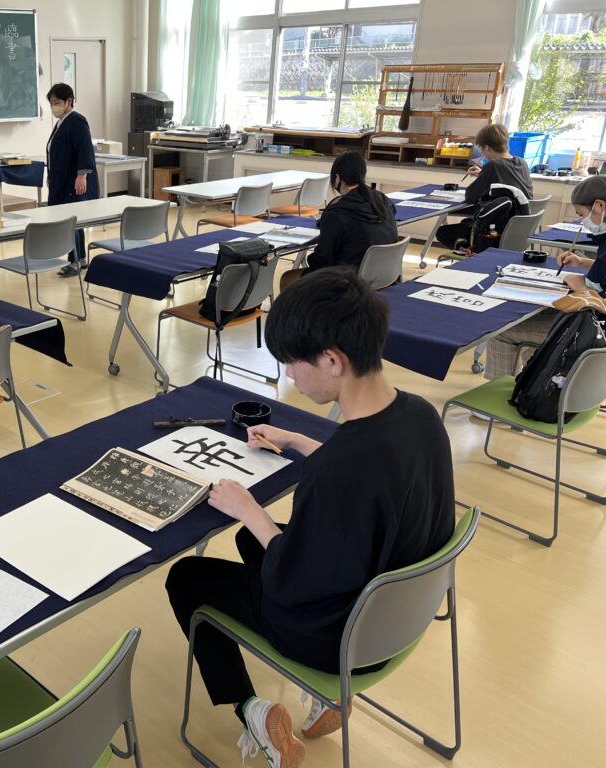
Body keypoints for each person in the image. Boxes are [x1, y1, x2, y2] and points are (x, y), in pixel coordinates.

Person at [165, 268, 455, 767]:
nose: (290, 376)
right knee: (251, 543)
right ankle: (325, 701)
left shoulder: (338, 471)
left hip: (338, 640)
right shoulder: (420, 416)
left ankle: (252, 711)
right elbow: (368, 473)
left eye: (292, 363)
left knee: (187, 577)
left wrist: (247, 508)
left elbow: (292, 579)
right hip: (396, 620)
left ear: (331, 360)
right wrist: (299, 441)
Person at [483, 175, 606, 379]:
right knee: (536, 316)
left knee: (501, 332)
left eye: (581, 214)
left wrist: (582, 289)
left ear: (600, 206)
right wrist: (583, 263)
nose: (582, 222)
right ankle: (533, 378)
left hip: (595, 328)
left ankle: (498, 392)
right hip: (589, 317)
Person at [280, 151, 396, 290]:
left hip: (347, 282)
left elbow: (323, 261)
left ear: (337, 178)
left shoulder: (337, 213)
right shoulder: (382, 201)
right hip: (384, 278)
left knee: (287, 278)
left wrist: (311, 258)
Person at [436, 123, 534, 250]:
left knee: (443, 232)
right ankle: (471, 249)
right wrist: (483, 174)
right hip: (517, 230)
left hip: (495, 231)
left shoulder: (493, 166)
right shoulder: (522, 163)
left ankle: (474, 253)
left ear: (487, 147)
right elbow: (508, 184)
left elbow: (471, 197)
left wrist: (485, 175)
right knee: (465, 223)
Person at [44, 82, 99, 277]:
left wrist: (82, 175)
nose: (53, 107)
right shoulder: (62, 122)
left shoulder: (77, 121)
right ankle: (80, 258)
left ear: (68, 101)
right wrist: (51, 175)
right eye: (51, 103)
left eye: (57, 102)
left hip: (74, 182)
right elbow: (56, 152)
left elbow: (85, 150)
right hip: (63, 179)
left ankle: (74, 261)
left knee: (70, 221)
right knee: (73, 221)